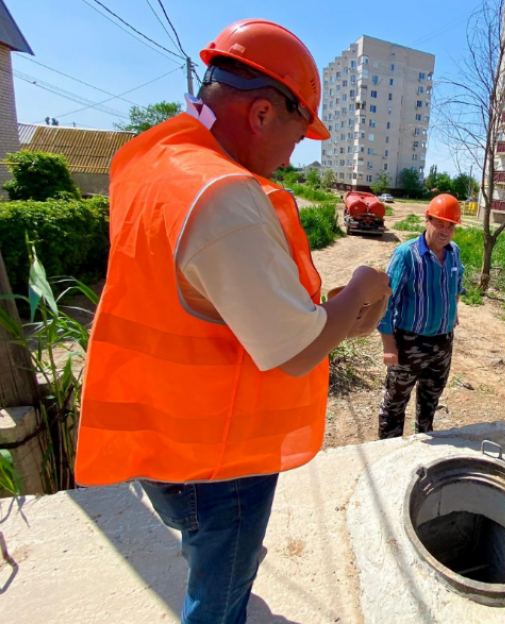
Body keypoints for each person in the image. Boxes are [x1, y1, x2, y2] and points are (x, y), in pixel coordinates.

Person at [75, 20, 390, 624]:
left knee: (208, 554)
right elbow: (296, 350)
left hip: (161, 428)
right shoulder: (224, 198)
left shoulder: (150, 162)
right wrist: (359, 291)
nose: (294, 155)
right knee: (219, 593)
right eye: (299, 137)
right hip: (216, 455)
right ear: (264, 113)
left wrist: (335, 318)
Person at [377, 194, 465, 439]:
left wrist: (452, 309)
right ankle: (388, 453)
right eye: (440, 222)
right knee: (395, 403)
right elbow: (386, 300)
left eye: (451, 225)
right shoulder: (406, 255)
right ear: (427, 220)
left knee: (430, 401)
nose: (445, 230)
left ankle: (423, 442)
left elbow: (458, 283)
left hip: (443, 343)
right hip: (409, 343)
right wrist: (389, 344)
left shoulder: (454, 253)